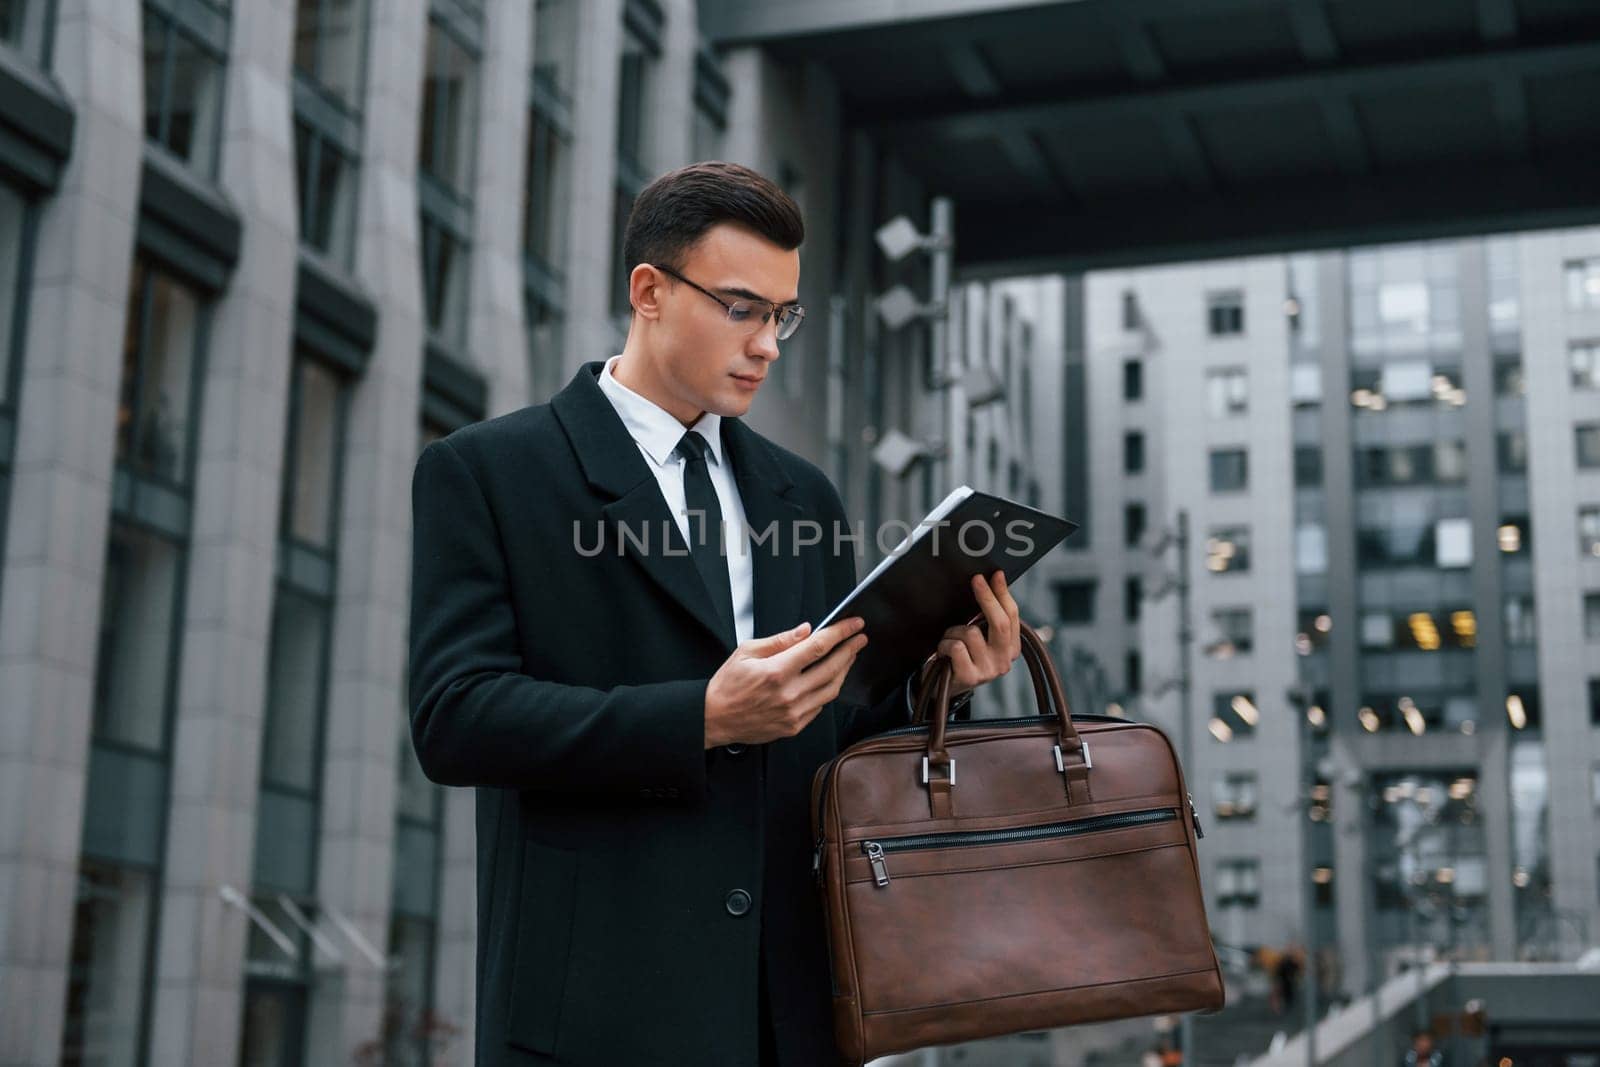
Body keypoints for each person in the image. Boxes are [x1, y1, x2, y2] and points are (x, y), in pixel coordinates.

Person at [408, 161, 1024, 1066]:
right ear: (649, 291)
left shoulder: (801, 494)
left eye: (783, 315)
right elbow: (453, 718)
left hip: (789, 1012)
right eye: (743, 308)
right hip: (597, 1013)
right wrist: (701, 717)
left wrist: (939, 684)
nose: (769, 344)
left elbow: (834, 743)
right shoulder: (489, 472)